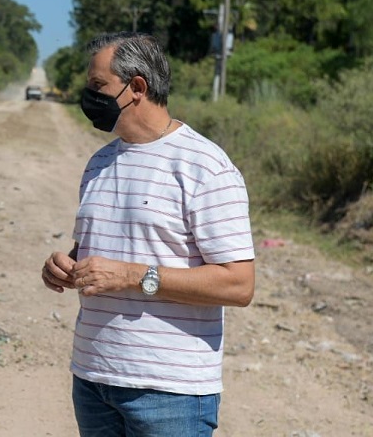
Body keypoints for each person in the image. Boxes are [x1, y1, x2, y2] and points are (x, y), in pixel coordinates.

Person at [41, 31, 255, 436]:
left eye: (97, 86)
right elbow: (97, 250)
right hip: (93, 380)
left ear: (136, 87)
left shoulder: (205, 167)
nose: (88, 97)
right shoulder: (99, 163)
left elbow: (238, 284)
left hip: (169, 394)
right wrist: (64, 266)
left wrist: (131, 276)